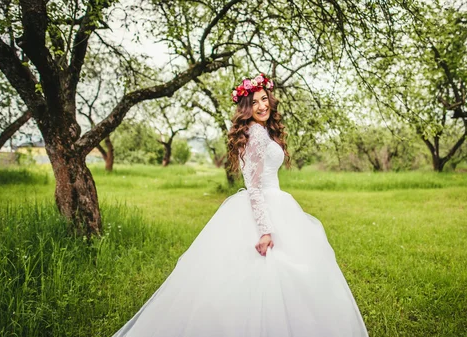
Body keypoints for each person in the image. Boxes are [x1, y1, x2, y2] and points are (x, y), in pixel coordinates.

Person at [112, 73, 368, 337]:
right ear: (246, 108)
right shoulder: (254, 134)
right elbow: (254, 187)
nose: (262, 105)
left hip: (276, 202)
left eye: (264, 99)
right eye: (255, 102)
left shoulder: (261, 131)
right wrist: (265, 230)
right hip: (264, 207)